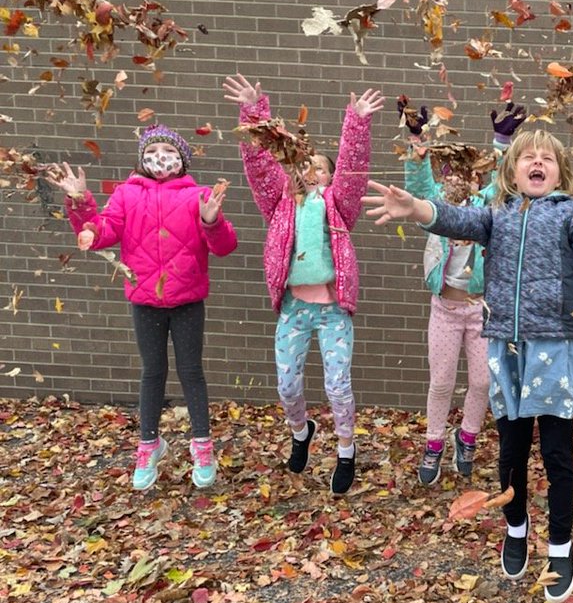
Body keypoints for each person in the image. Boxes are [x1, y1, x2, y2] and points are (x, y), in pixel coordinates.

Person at [363, 129, 573, 603]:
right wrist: (417, 210)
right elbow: (454, 217)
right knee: (511, 453)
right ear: (511, 170)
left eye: (547, 159)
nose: (537, 163)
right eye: (527, 158)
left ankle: (560, 545)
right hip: (506, 352)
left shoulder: (570, 213)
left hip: (553, 351)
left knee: (557, 456)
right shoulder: (498, 214)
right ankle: (515, 526)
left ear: (560, 171)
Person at [46, 126, 237, 490]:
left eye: (169, 149)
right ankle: (149, 444)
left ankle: (202, 446)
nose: (161, 156)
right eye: (154, 149)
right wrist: (80, 200)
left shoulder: (199, 195)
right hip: (145, 301)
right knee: (152, 372)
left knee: (191, 372)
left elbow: (225, 246)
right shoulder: (126, 194)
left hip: (187, 300)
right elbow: (99, 233)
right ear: (142, 157)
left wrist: (212, 221)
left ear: (182, 159)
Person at [223, 73, 385, 496]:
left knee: (337, 385)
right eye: (306, 165)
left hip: (333, 311)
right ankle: (301, 431)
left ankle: (346, 451)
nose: (312, 171)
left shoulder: (338, 205)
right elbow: (259, 165)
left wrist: (357, 122)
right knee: (287, 385)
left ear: (329, 178)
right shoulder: (279, 202)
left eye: (321, 168)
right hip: (295, 309)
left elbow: (352, 170)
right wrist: (253, 112)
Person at [401, 97, 527, 485]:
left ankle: (467, 437)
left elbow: (500, 184)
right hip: (445, 310)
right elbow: (418, 190)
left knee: (482, 382)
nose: (458, 179)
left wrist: (501, 143)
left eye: (466, 174)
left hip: (480, 310)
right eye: (450, 173)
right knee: (440, 382)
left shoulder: (486, 209)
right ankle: (434, 443)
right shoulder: (439, 208)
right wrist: (415, 139)